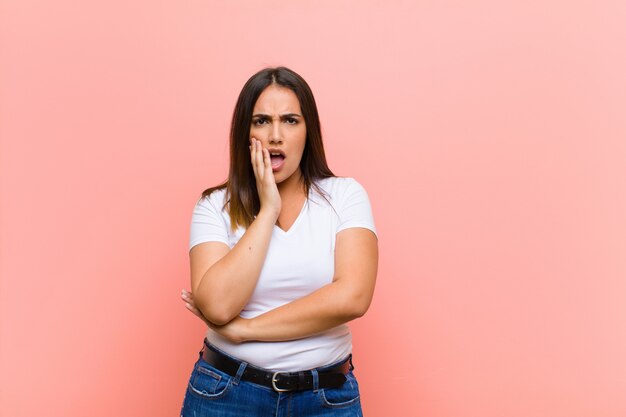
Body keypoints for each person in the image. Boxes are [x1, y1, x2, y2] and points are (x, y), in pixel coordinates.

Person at [179, 66, 378, 416]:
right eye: (260, 121)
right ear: (245, 132)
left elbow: (353, 297)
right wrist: (268, 210)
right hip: (227, 396)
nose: (275, 135)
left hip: (325, 399)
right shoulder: (214, 205)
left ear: (308, 130)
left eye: (289, 120)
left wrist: (246, 330)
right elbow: (217, 306)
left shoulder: (345, 196)